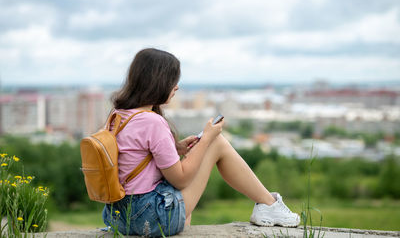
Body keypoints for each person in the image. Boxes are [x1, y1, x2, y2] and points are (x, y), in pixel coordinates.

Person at [102, 48, 300, 237]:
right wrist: (206, 140)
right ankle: (269, 205)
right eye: (173, 80)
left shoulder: (118, 115)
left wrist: (176, 148)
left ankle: (268, 205)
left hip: (118, 215)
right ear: (158, 82)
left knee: (182, 184)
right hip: (148, 217)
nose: (176, 86)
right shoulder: (152, 121)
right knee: (217, 142)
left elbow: (134, 158)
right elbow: (180, 179)